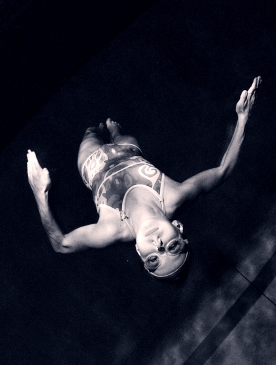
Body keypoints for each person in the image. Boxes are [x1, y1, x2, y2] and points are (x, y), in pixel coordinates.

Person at [26, 76, 261, 279]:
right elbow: (223, 171)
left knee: (90, 132)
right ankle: (113, 128)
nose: (158, 244)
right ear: (178, 227)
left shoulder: (112, 229)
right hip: (129, 149)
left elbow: (62, 244)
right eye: (172, 246)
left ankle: (97, 128)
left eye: (153, 258)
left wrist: (40, 195)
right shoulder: (174, 196)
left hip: (92, 163)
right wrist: (242, 118)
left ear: (139, 253)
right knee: (117, 132)